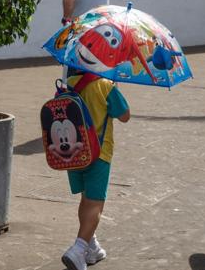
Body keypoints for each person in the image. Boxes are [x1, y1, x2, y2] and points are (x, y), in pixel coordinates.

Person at [61, 73, 130, 270]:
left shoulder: (70, 84)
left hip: (74, 153)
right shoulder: (105, 85)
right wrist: (115, 90)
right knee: (96, 204)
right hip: (99, 153)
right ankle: (78, 249)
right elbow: (125, 115)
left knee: (86, 199)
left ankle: (91, 245)